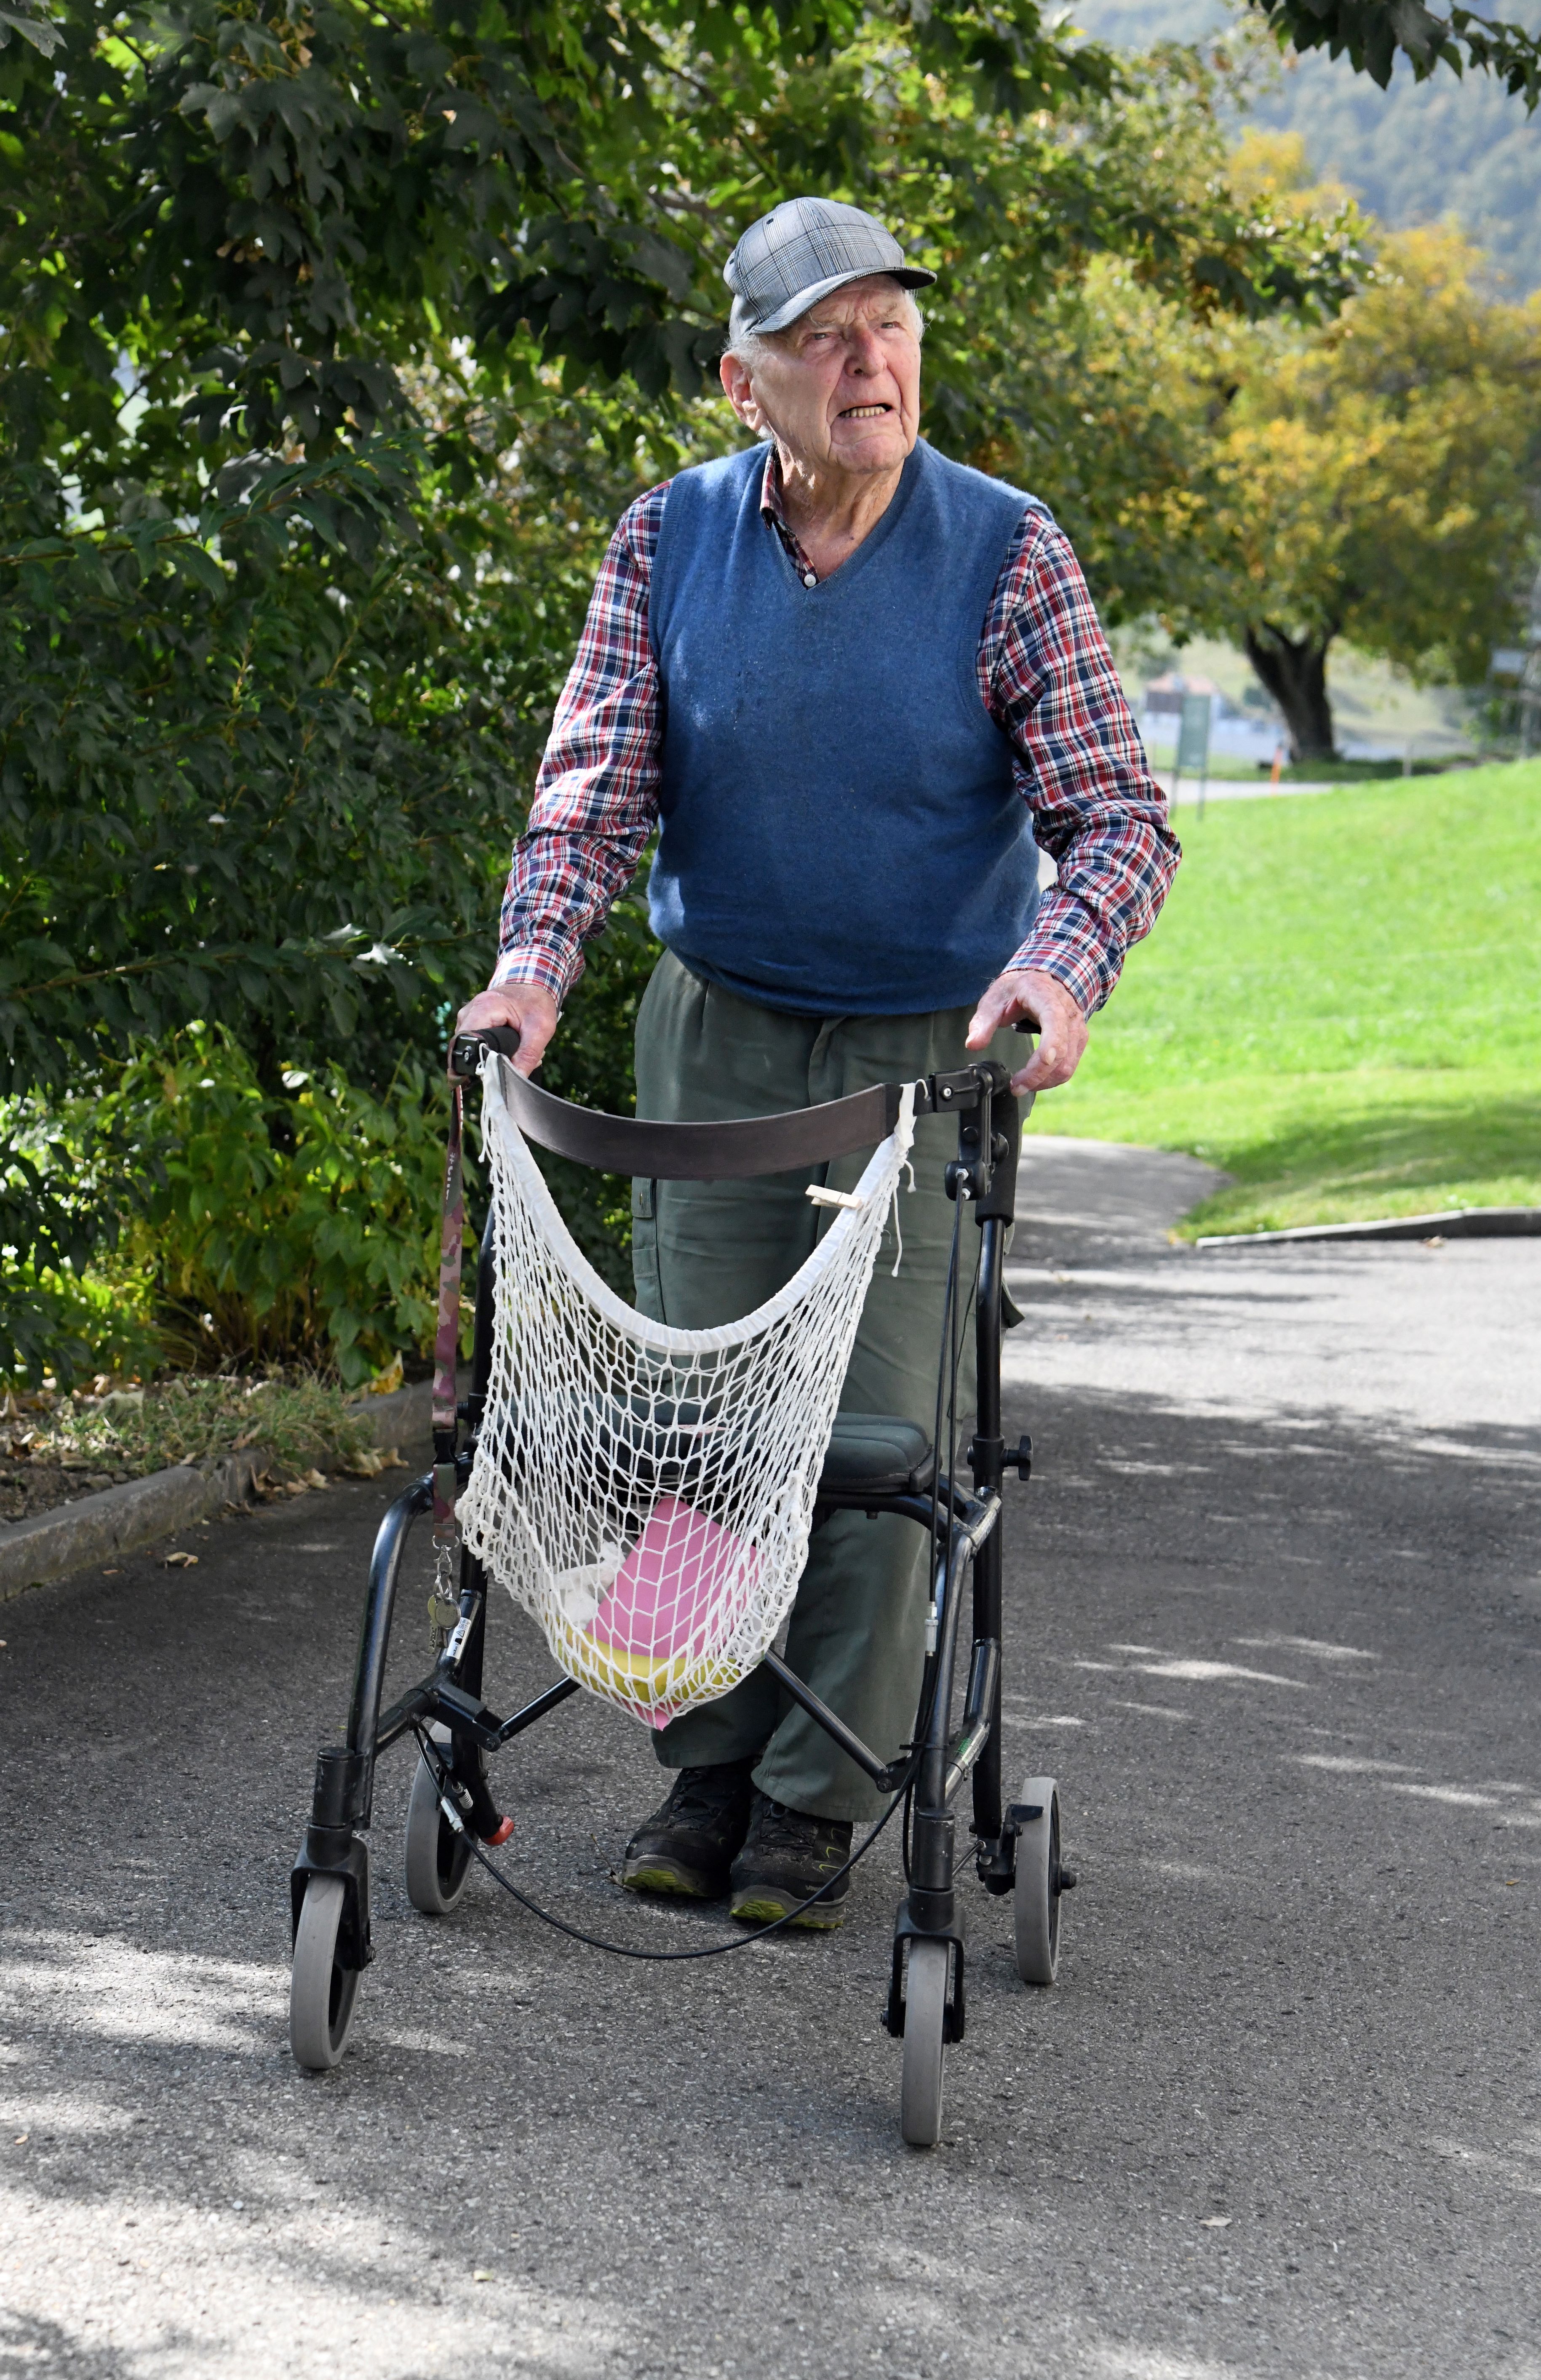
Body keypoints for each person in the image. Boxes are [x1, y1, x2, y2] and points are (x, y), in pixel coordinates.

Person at [457, 195, 1178, 1929]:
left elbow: (1117, 819)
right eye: (825, 336)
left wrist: (1058, 970)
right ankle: (707, 1765)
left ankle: (816, 1795)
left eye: (892, 326)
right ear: (743, 381)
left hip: (926, 1051)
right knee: (697, 1410)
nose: (872, 361)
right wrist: (532, 970)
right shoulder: (666, 539)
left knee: (870, 1434)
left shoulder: (1005, 552)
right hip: (719, 1031)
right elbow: (593, 789)